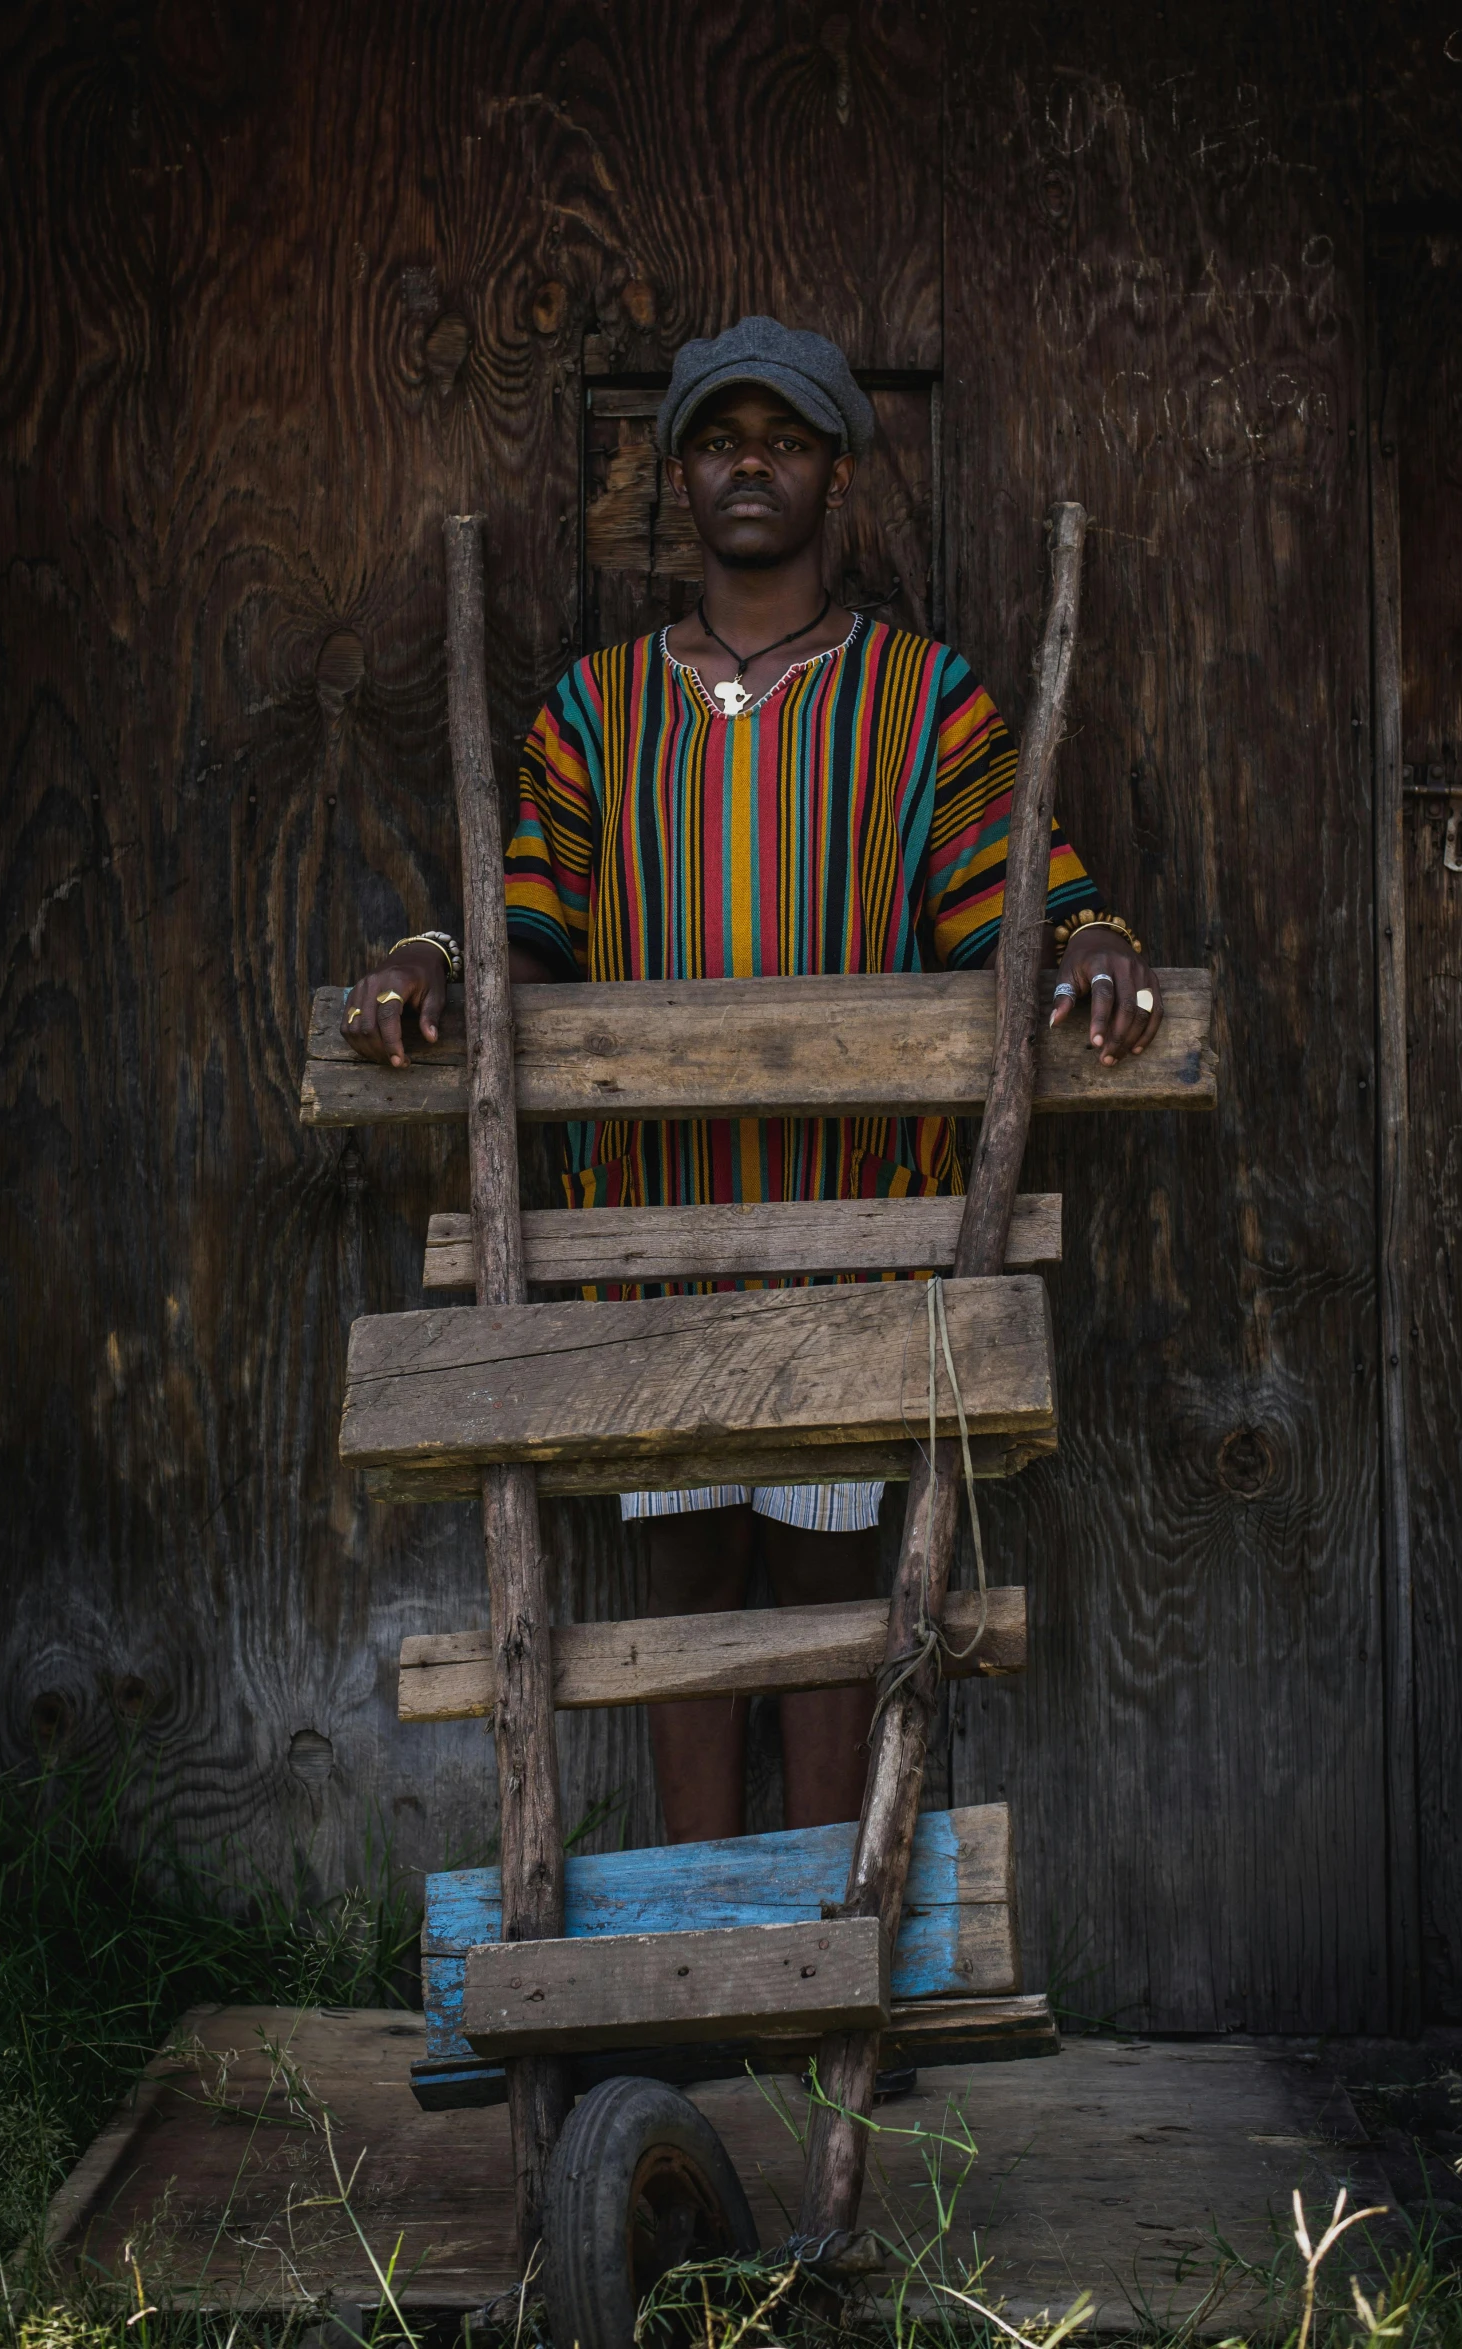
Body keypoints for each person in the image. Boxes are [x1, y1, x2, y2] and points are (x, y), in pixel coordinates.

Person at [340, 316, 1163, 1846]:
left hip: (854, 1226)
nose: (750, 466)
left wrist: (1094, 940)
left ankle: (814, 1966)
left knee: (837, 1582)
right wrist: (441, 963)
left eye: (784, 440)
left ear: (835, 475)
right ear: (676, 475)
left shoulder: (928, 700)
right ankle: (691, 1939)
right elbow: (532, 927)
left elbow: (1006, 910)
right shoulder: (593, 709)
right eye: (720, 440)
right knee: (686, 1576)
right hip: (651, 1233)